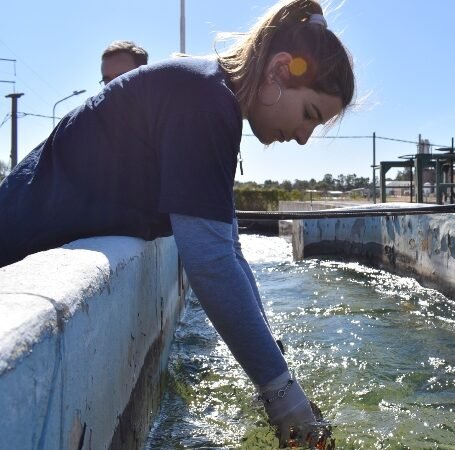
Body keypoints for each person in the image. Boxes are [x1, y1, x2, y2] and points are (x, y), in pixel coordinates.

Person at [0, 0, 354, 446]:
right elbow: (208, 262)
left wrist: (275, 363)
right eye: (310, 115)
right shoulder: (205, 99)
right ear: (279, 71)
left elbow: (229, 249)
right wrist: (281, 396)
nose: (304, 137)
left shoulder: (213, 96)